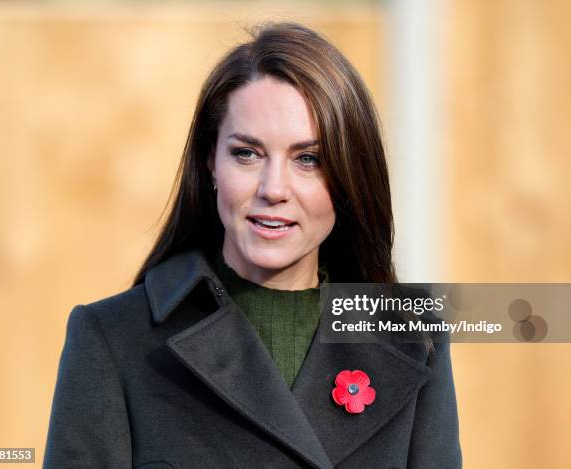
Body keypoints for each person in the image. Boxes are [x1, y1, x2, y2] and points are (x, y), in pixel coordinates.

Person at [44, 22, 461, 468]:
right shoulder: (112, 339)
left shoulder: (414, 337)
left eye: (309, 159)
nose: (274, 188)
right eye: (247, 153)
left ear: (349, 178)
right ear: (211, 163)